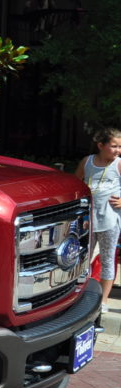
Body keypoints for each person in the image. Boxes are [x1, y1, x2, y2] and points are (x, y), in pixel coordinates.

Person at [75, 127, 121, 312]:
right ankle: (80, 295)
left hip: (110, 221)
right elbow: (76, 183)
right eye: (114, 146)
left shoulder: (118, 164)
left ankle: (103, 301)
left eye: (120, 146)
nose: (118, 150)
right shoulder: (87, 162)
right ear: (101, 145)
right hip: (88, 220)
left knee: (108, 259)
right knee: (82, 259)